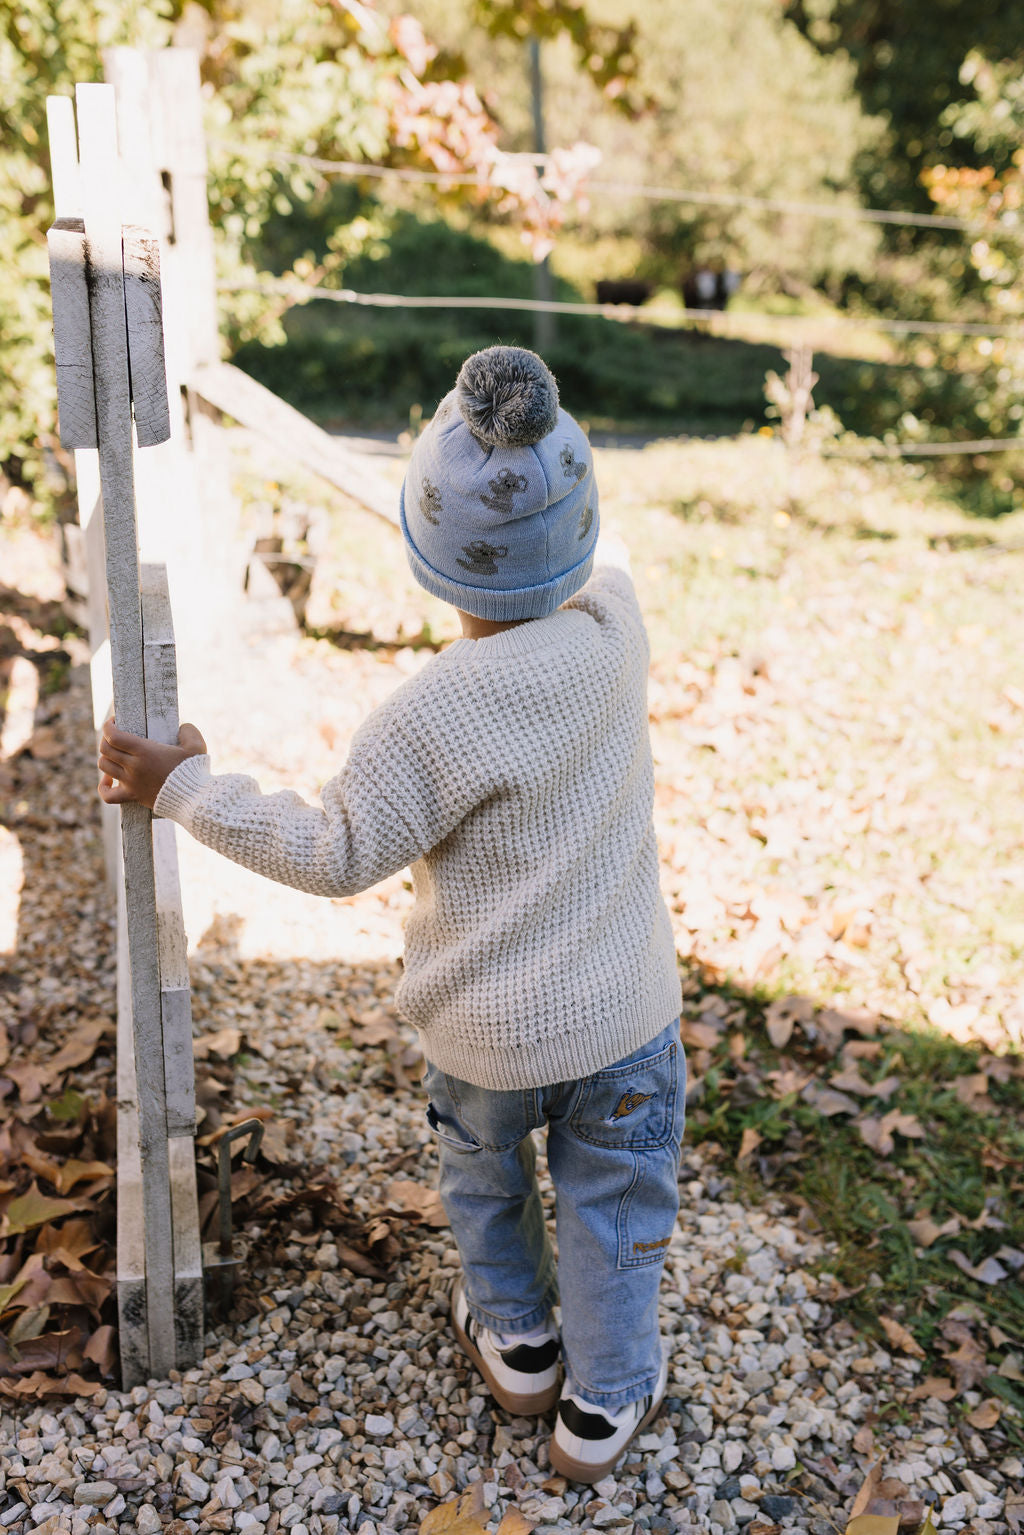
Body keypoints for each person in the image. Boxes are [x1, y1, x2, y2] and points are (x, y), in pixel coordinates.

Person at [98, 346, 685, 1483]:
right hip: (623, 1019)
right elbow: (602, 548)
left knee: (485, 1181)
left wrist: (186, 788)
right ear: (576, 536)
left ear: (427, 555)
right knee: (615, 1206)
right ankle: (605, 1401)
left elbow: (333, 851)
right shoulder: (618, 626)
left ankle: (518, 1345)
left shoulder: (425, 718)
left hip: (484, 1038)